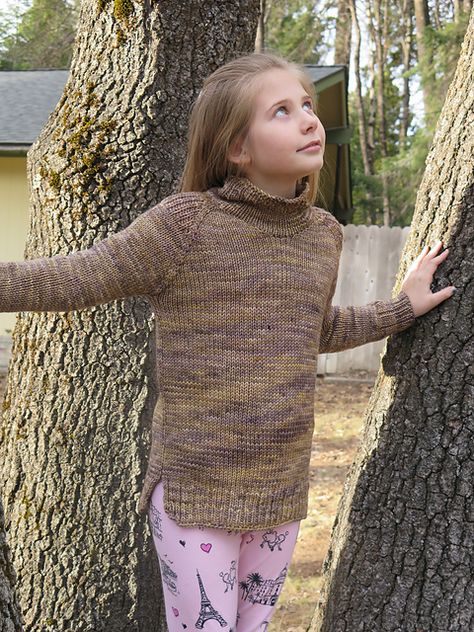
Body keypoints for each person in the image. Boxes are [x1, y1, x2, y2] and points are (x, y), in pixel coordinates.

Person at [0, 52, 454, 630]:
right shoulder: (183, 226)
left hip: (279, 491)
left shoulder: (322, 235)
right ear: (237, 147)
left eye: (308, 107)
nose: (310, 120)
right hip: (196, 491)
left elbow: (313, 330)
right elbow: (75, 276)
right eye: (282, 111)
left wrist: (402, 308)